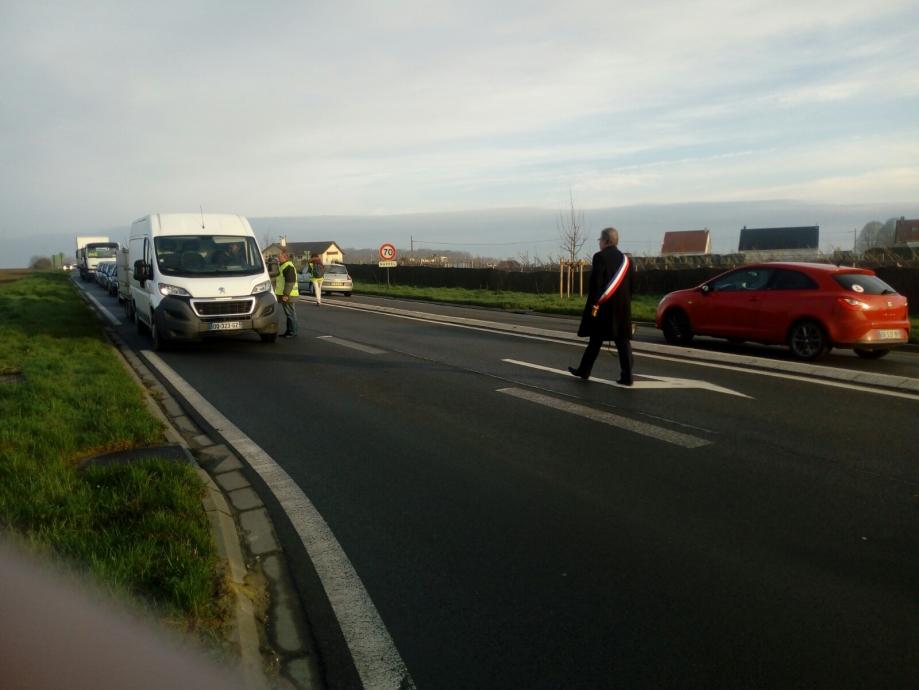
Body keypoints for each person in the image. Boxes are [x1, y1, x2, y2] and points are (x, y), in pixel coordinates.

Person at [569, 226, 635, 385]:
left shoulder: (600, 257)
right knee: (623, 341)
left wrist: (593, 306)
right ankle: (627, 376)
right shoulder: (627, 261)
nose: (599, 243)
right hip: (623, 308)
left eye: (600, 240)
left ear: (605, 241)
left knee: (595, 340)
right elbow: (632, 285)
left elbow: (596, 284)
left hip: (605, 307)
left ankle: (584, 370)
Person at [274, 250, 299, 338]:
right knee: (289, 314)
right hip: (288, 294)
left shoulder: (288, 266)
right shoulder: (283, 266)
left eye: (279, 257)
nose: (278, 258)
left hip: (289, 295)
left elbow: (290, 282)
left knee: (291, 314)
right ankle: (289, 331)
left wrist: (286, 294)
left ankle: (292, 332)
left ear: (285, 257)